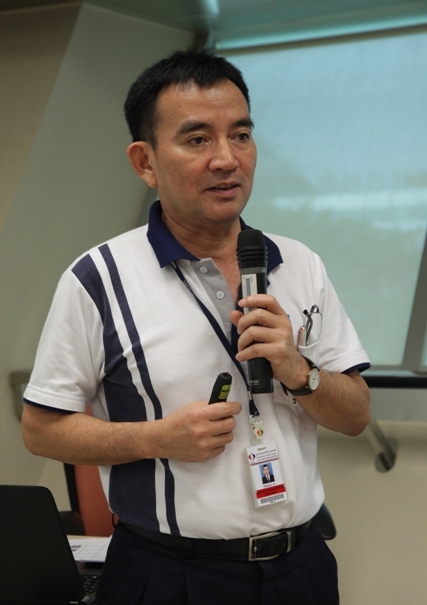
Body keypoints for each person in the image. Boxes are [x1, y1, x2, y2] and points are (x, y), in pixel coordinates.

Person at [21, 48, 371, 604]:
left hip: (300, 568)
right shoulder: (99, 278)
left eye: (241, 135)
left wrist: (298, 370)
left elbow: (355, 415)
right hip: (168, 574)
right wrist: (156, 438)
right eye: (198, 139)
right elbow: (41, 429)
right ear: (145, 162)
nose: (227, 159)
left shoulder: (300, 263)